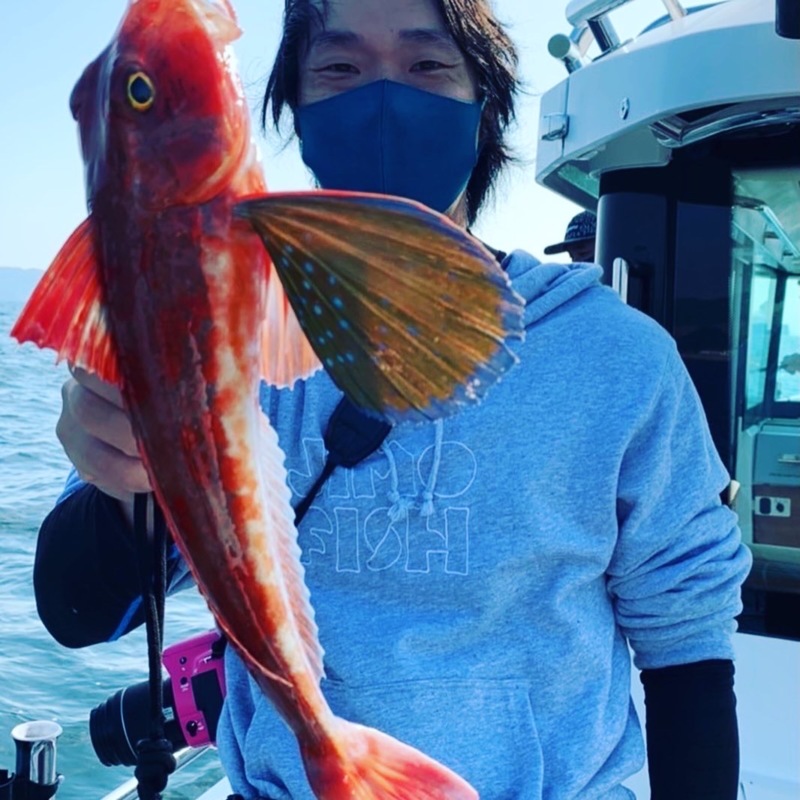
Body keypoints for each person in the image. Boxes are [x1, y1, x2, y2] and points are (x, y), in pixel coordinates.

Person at [33, 1, 752, 799]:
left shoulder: (615, 357)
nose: (383, 102)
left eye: (427, 66)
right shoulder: (227, 327)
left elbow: (687, 647)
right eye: (339, 69)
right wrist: (116, 474)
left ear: (486, 109)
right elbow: (78, 611)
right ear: (292, 112)